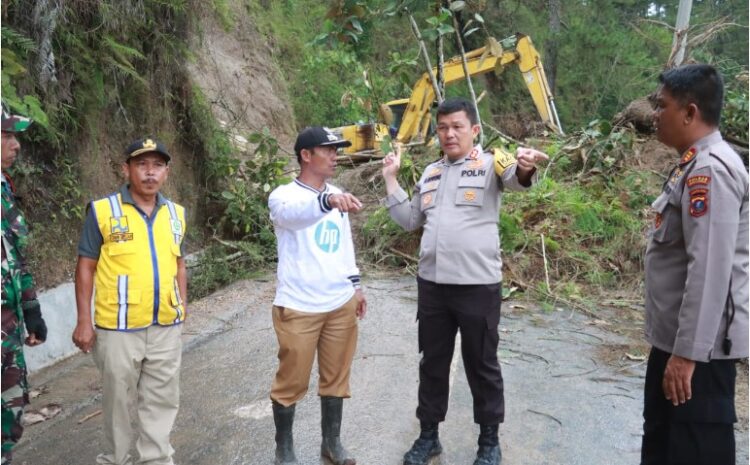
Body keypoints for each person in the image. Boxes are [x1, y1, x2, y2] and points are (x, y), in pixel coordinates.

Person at [381, 97, 549, 465]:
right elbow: (410, 220)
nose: (449, 134)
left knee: (482, 364)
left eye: (457, 126)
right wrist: (390, 178)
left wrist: (525, 167)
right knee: (432, 363)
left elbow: (518, 180)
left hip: (477, 286)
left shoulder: (492, 163)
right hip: (433, 288)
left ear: (474, 130)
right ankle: (429, 436)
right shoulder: (429, 173)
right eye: (442, 128)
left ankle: (489, 442)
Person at [641, 64, 748, 465]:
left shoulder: (710, 171)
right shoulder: (692, 163)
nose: (654, 114)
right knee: (663, 447)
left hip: (698, 356)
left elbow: (709, 271)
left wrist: (687, 355)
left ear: (689, 112)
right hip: (676, 344)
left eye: (662, 105)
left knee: (692, 452)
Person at [72, 137, 187, 465]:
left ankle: (157, 460)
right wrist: (84, 321)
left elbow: (179, 262)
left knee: (162, 401)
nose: (150, 173)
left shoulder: (176, 214)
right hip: (118, 329)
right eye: (142, 165)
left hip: (165, 324)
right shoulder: (103, 211)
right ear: (126, 169)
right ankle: (116, 460)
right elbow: (86, 266)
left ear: (166, 171)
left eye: (157, 165)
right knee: (117, 405)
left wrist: (183, 304)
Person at [268, 126, 367, 465]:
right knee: (290, 381)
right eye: (328, 150)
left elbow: (343, 246)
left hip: (339, 303)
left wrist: (355, 286)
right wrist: (326, 201)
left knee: (336, 377)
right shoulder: (284, 196)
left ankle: (332, 443)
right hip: (299, 305)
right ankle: (285, 450)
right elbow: (292, 218)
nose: (335, 156)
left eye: (337, 150)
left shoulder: (337, 192)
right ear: (305, 155)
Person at [1, 104, 48, 465]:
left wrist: (31, 309)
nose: (15, 144)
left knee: (11, 410)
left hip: (8, 324)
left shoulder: (4, 187)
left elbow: (16, 253)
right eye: (6, 135)